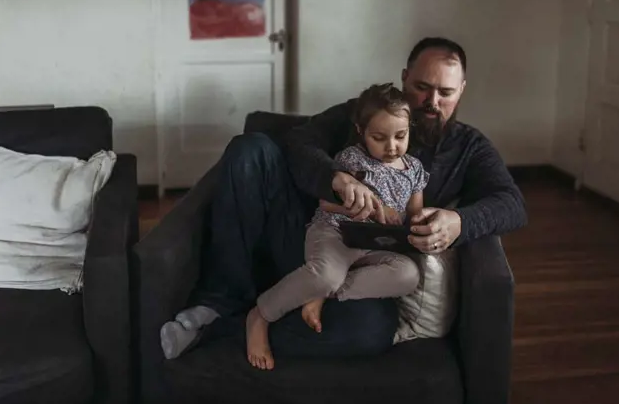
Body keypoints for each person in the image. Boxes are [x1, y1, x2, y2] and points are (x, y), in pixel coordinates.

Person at [159, 36, 528, 361]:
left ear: (462, 89)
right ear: (404, 78)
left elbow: (512, 204)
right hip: (312, 239)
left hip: (367, 270)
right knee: (249, 148)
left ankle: (233, 325)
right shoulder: (364, 111)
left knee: (365, 333)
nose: (431, 101)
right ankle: (218, 302)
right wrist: (334, 178)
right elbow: (298, 140)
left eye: (445, 92)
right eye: (421, 87)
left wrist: (459, 222)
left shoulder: (470, 147)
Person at [246, 83, 429, 370]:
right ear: (361, 131)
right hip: (337, 234)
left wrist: (415, 224)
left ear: (409, 129)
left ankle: (321, 294)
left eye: (400, 136)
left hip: (375, 247)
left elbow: (414, 215)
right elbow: (325, 204)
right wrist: (370, 207)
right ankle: (260, 315)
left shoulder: (415, 170)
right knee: (325, 274)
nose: (391, 146)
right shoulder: (352, 159)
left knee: (408, 275)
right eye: (379, 138)